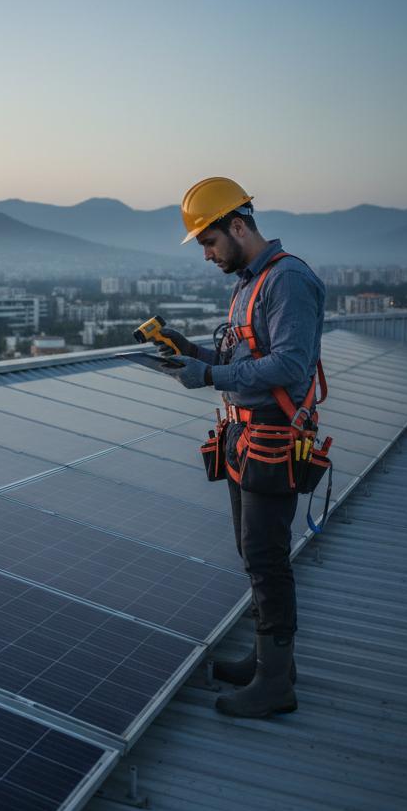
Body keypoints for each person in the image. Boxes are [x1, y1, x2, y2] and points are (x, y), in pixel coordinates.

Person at [158, 177, 325, 718]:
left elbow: (290, 366)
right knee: (252, 554)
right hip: (243, 438)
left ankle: (277, 684)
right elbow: (243, 355)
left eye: (209, 242)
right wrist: (192, 351)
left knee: (266, 558)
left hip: (273, 436)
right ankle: (266, 662)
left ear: (238, 226)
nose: (206, 255)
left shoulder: (288, 281)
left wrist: (208, 374)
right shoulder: (248, 283)